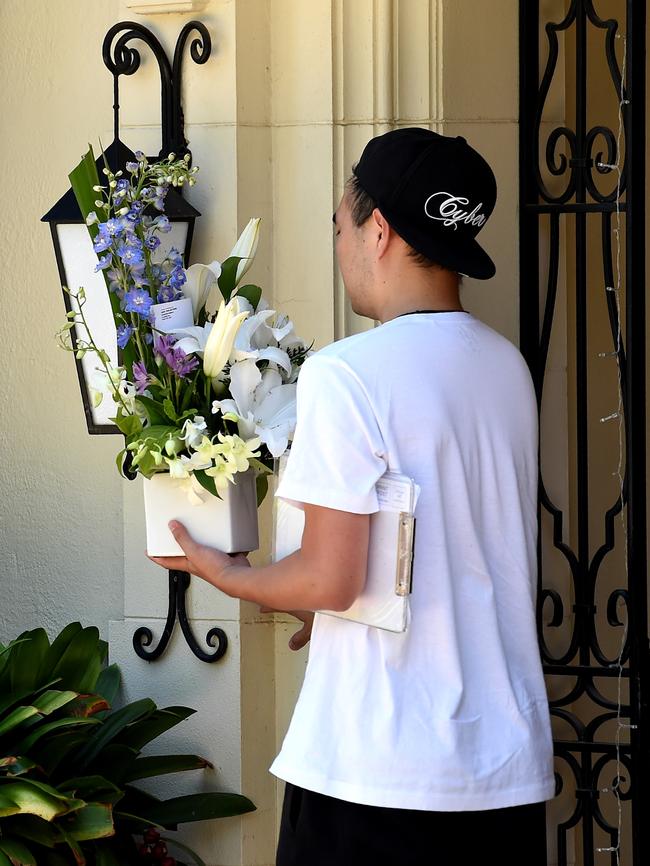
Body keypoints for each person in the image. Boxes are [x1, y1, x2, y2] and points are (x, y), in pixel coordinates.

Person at [150, 128, 556, 866]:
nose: (339, 247)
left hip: (378, 772)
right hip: (503, 776)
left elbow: (331, 577)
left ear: (379, 229)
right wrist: (336, 612)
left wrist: (226, 572)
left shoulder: (348, 372)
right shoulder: (507, 370)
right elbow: (448, 553)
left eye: (339, 225)